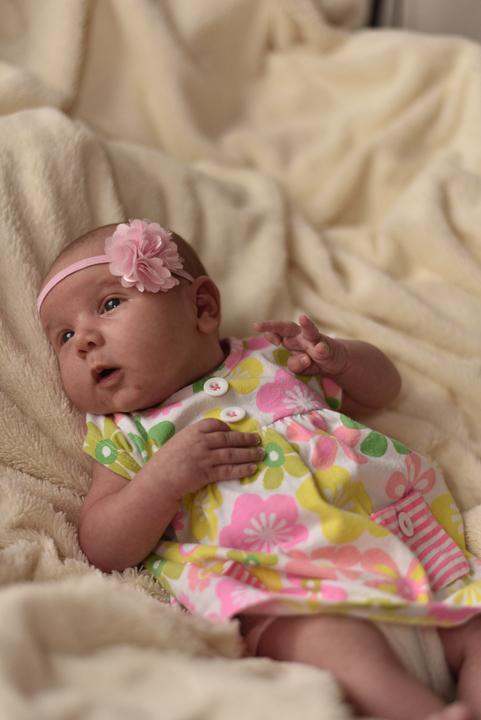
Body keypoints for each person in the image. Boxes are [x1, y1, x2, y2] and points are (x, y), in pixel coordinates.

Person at [37, 218, 481, 720]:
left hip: (409, 554)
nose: (83, 340)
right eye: (63, 335)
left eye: (109, 304)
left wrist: (342, 361)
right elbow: (103, 545)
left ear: (202, 308)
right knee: (335, 645)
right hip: (290, 594)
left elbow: (383, 390)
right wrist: (162, 480)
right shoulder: (124, 433)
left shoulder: (276, 358)